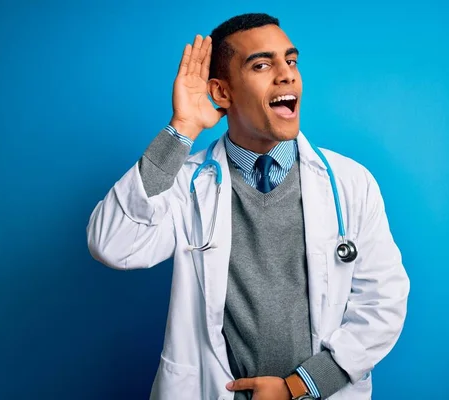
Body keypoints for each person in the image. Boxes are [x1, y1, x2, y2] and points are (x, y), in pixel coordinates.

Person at [87, 12, 410, 400]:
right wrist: (183, 129)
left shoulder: (350, 183)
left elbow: (383, 305)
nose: (286, 74)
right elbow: (113, 244)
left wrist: (297, 387)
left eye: (290, 61)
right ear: (222, 93)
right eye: (262, 64)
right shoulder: (187, 181)